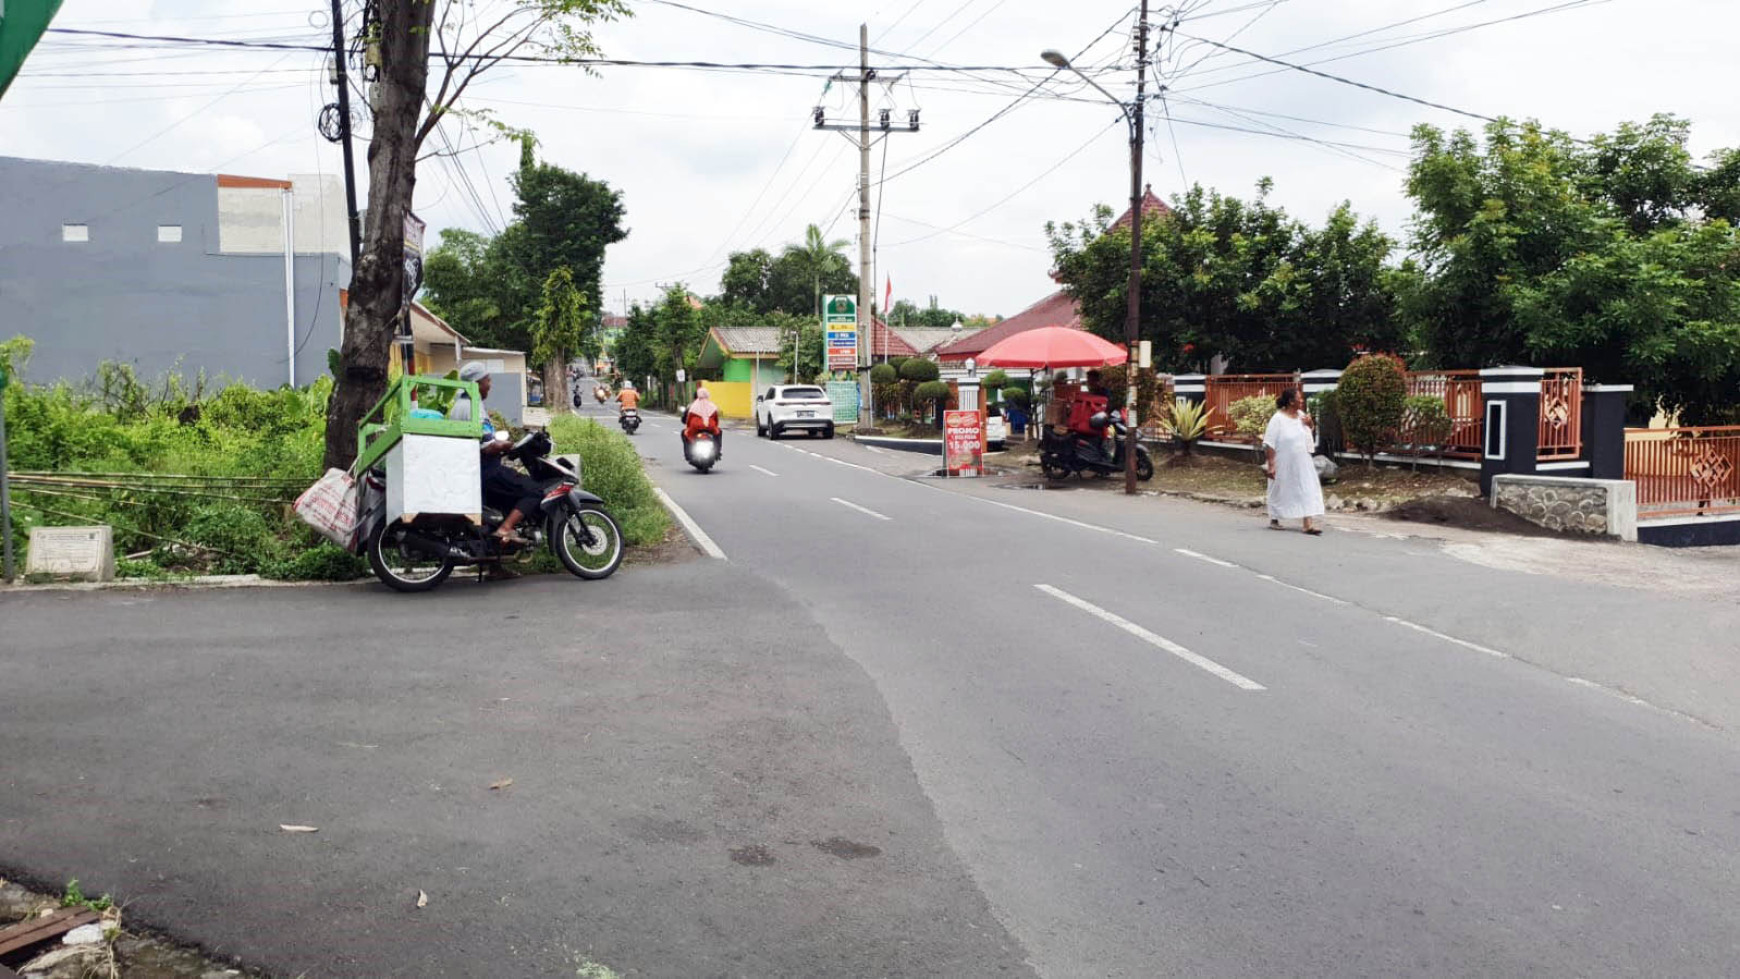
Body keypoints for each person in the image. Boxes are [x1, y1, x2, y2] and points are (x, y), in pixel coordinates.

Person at [452, 362, 540, 549]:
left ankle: (496, 566)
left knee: (504, 508)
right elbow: (487, 446)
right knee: (534, 490)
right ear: (477, 384)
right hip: (486, 470)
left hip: (471, 470)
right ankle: (506, 528)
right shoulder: (474, 407)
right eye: (487, 380)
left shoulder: (459, 405)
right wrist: (508, 445)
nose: (490, 385)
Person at [1263, 388, 1325, 535]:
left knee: (1307, 487)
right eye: (1299, 398)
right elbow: (1269, 443)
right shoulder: (1277, 419)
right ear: (1291, 402)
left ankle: (1307, 524)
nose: (1302, 400)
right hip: (1283, 461)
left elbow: (1308, 432)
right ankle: (1275, 518)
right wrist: (1271, 464)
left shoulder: (1301, 416)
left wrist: (1310, 424)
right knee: (1280, 488)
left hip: (1302, 460)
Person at [681, 386, 722, 461]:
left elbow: (688, 419)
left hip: (695, 428)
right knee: (719, 432)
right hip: (710, 427)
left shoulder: (692, 406)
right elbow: (716, 419)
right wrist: (714, 426)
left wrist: (688, 426)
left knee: (685, 434)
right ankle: (717, 452)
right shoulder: (712, 406)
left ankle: (688, 454)